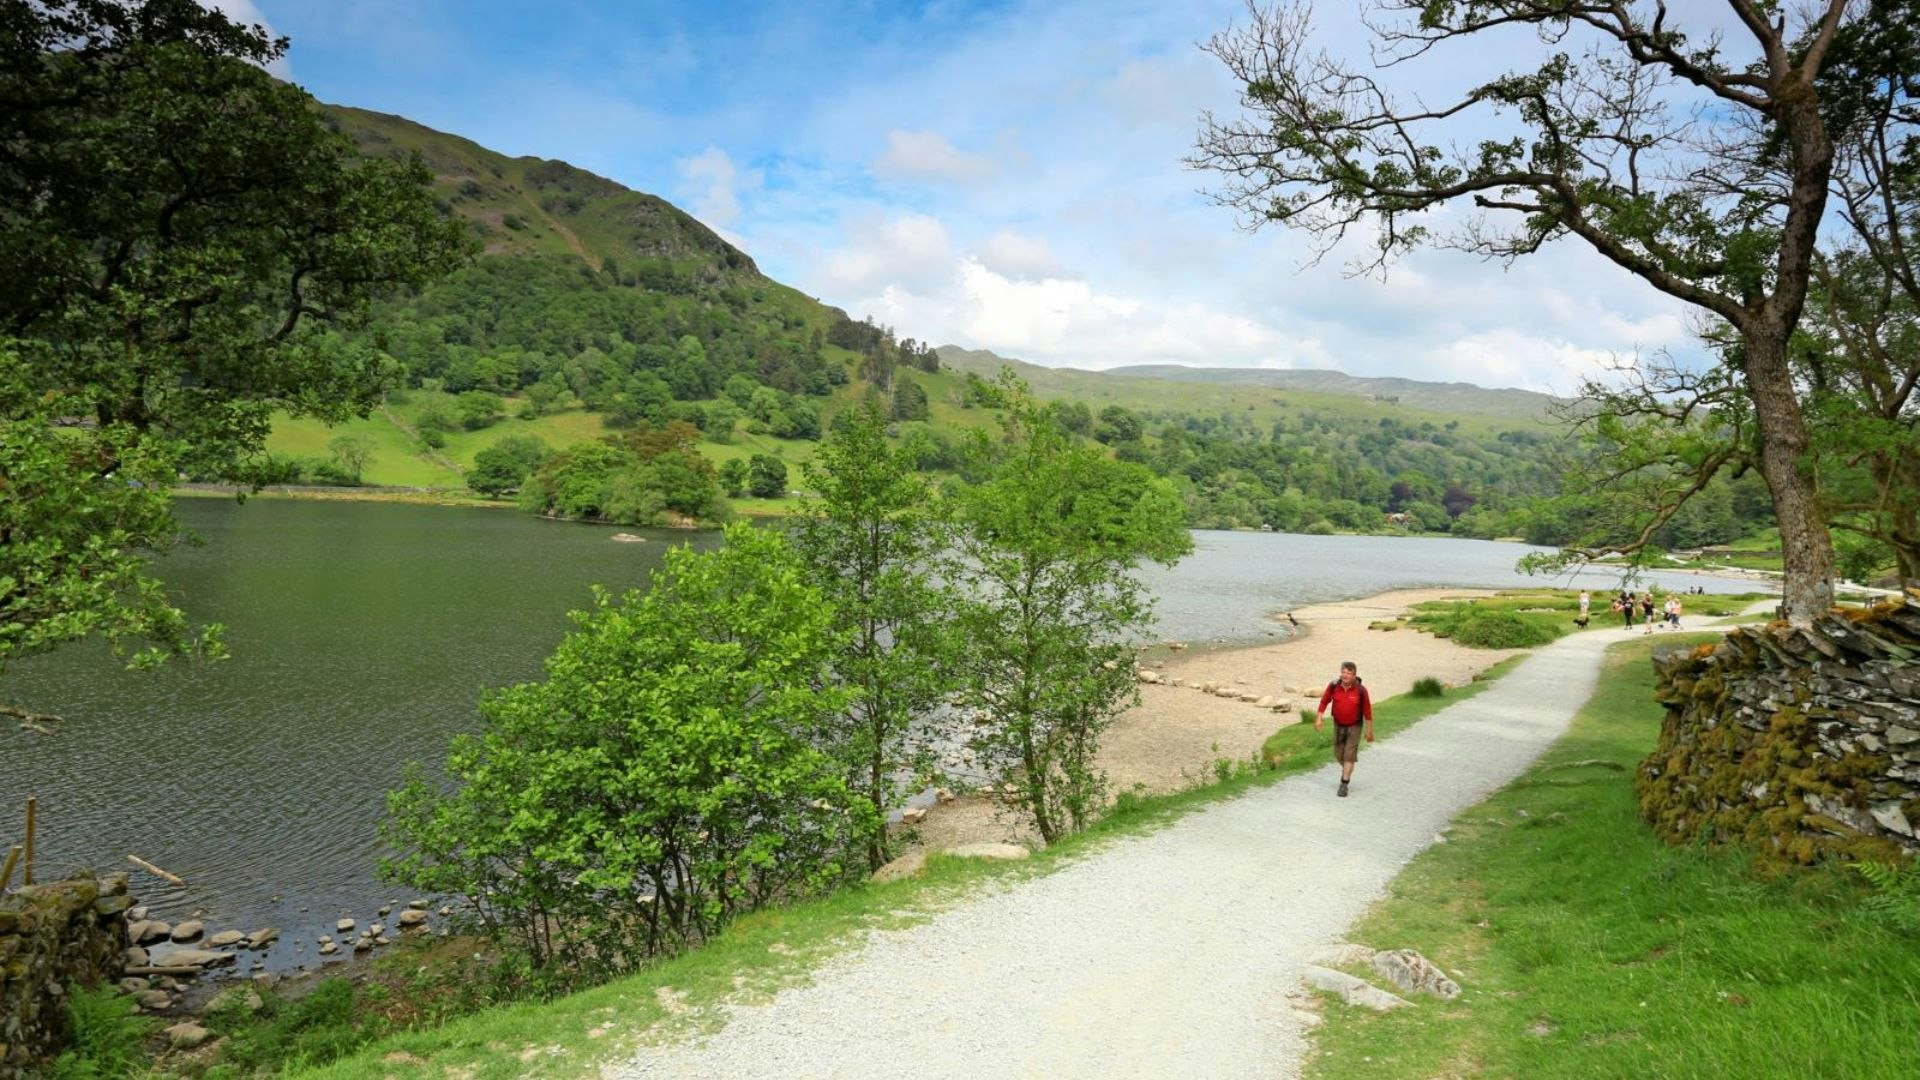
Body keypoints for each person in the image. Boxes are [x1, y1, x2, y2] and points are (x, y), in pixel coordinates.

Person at [1315, 660, 1374, 798]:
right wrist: (1319, 718)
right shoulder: (1333, 686)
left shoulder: (1361, 690)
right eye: (1343, 672)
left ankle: (1344, 783)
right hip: (1338, 724)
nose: (1345, 675)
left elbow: (1367, 711)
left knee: (1349, 755)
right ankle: (1348, 767)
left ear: (1354, 675)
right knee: (1338, 754)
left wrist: (1369, 730)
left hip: (1355, 726)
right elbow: (1324, 701)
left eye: (1348, 673)